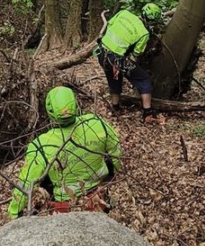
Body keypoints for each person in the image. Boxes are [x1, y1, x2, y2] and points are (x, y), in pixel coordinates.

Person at [7, 86, 121, 219]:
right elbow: (116, 152)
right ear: (75, 103)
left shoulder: (41, 145)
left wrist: (14, 212)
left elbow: (27, 183)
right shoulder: (96, 123)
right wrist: (113, 173)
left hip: (65, 209)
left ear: (50, 111)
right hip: (99, 196)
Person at [95, 2, 163, 122]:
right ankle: (147, 113)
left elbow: (109, 25)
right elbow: (136, 54)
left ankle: (115, 107)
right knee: (144, 79)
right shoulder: (144, 33)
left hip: (101, 53)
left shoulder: (123, 13)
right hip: (116, 60)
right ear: (152, 21)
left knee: (114, 76)